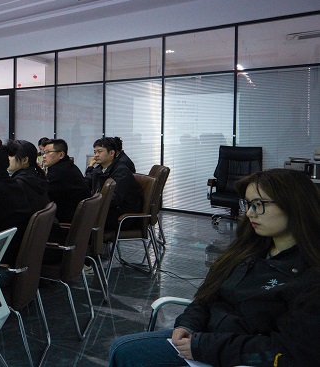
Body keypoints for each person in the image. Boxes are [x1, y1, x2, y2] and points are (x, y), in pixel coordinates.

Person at [109, 169, 320, 367]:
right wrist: (187, 325)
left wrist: (204, 347)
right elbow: (207, 298)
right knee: (122, 350)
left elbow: (287, 352)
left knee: (126, 353)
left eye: (259, 204)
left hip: (233, 355)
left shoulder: (309, 276)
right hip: (204, 340)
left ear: (294, 206)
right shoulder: (249, 250)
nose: (249, 213)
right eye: (248, 204)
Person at [85, 137, 142, 230]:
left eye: (99, 152)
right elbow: (86, 184)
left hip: (122, 215)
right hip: (106, 210)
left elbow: (113, 199)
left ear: (112, 153)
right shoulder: (99, 169)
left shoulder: (121, 171)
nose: (96, 155)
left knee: (84, 220)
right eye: (95, 152)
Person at [40, 138, 91, 224]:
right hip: (81, 218)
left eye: (48, 152)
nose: (44, 156)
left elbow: (45, 194)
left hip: (69, 220)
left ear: (61, 155)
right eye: (43, 153)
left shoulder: (58, 171)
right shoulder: (68, 165)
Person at [6, 139, 50, 213]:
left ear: (25, 160)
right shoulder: (36, 175)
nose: (7, 158)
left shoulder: (19, 184)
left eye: (11, 155)